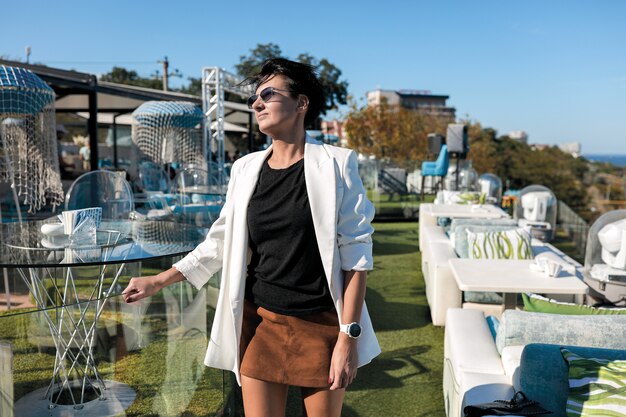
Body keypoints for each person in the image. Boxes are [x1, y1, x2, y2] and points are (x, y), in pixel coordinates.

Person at [122, 58, 379, 417]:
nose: (257, 103)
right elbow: (219, 242)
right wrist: (159, 280)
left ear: (301, 103)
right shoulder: (245, 169)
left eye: (268, 94)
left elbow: (356, 258)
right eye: (254, 98)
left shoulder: (337, 164)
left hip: (321, 324)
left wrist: (347, 338)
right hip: (260, 323)